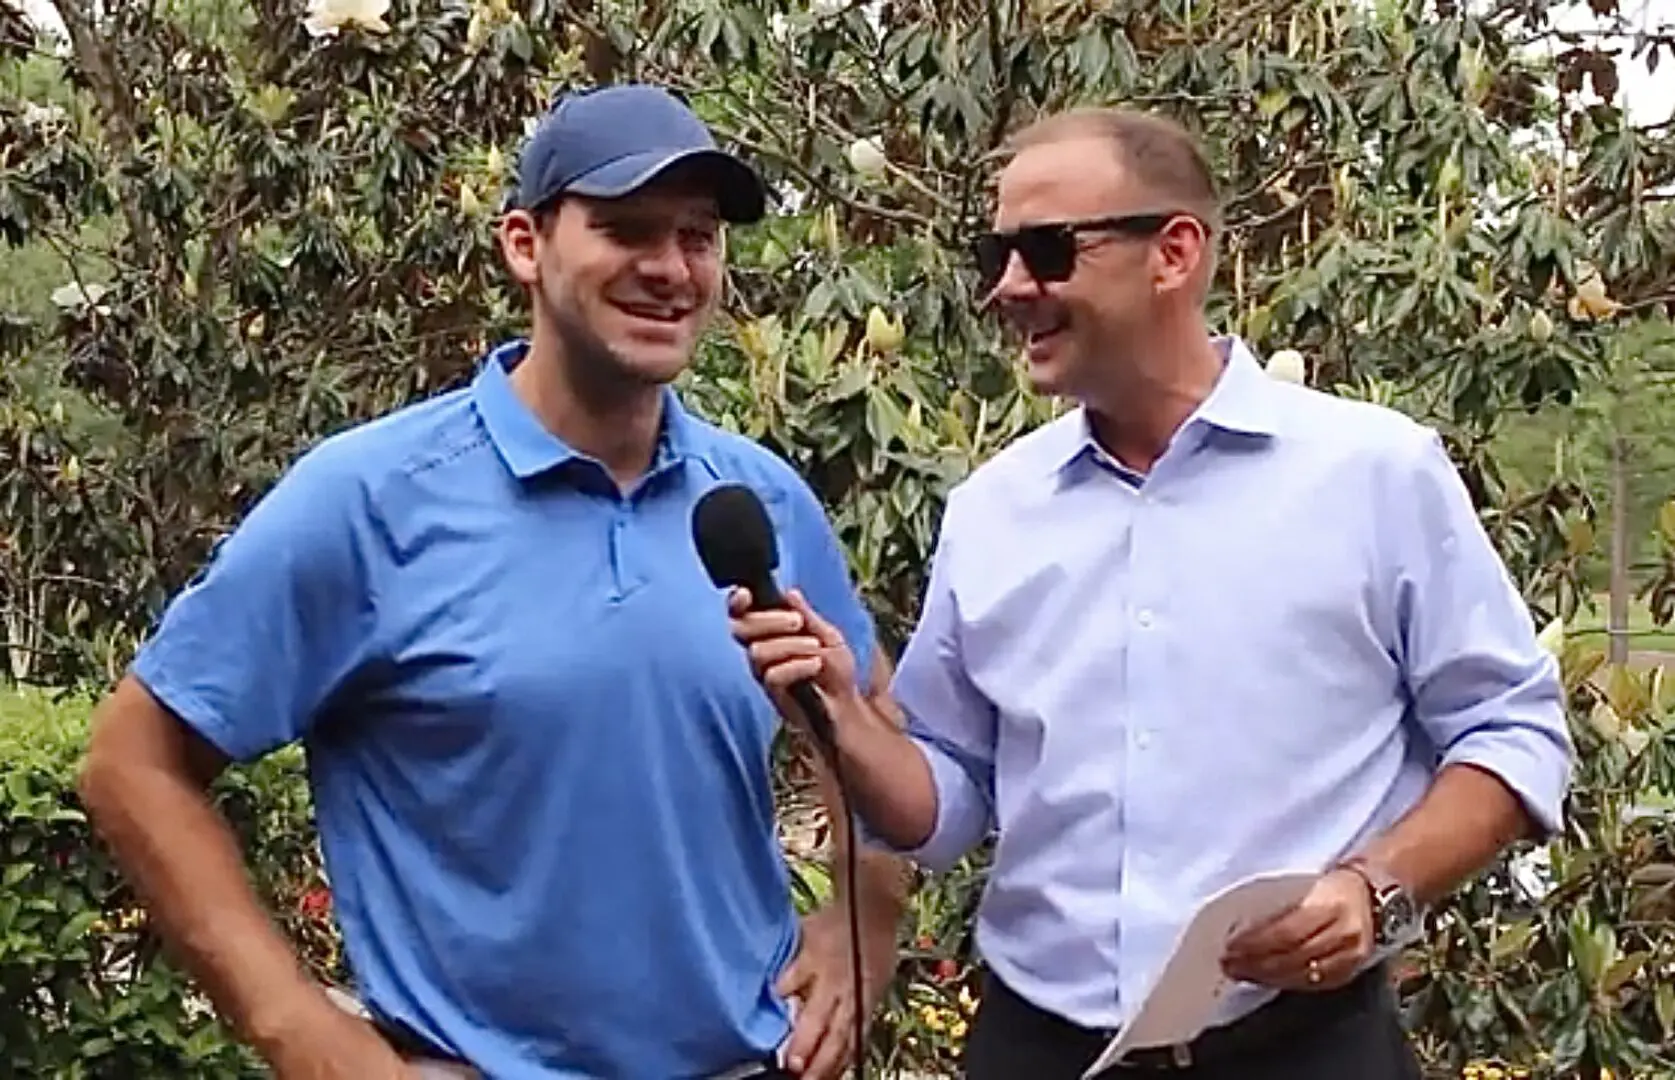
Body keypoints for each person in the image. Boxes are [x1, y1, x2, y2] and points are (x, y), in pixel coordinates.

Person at [77, 84, 910, 1080]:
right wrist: (303, 1033)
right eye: (627, 230)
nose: (670, 268)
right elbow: (133, 764)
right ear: (526, 244)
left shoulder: (755, 498)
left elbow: (870, 716)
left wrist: (865, 918)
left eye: (698, 237)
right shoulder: (369, 500)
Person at [729, 106, 1574, 1080]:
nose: (1008, 286)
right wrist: (843, 715)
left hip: (1304, 1047)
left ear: (1173, 252)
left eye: (1046, 250)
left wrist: (1372, 891)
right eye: (995, 252)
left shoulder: (1375, 475)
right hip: (1035, 1046)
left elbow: (1512, 731)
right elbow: (951, 792)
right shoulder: (993, 511)